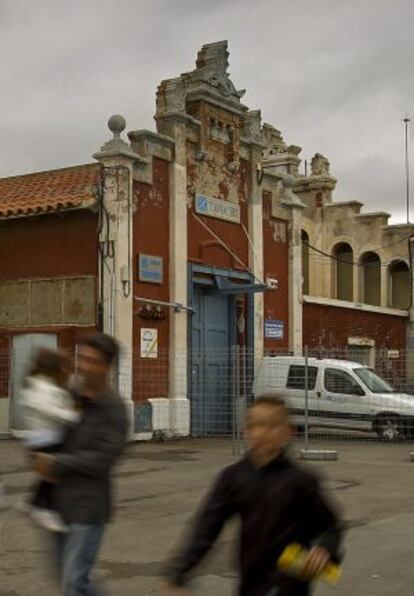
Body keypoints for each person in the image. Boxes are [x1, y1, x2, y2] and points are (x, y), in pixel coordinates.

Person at [163, 394, 343, 596]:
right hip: (251, 585)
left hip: (291, 587)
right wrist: (179, 573)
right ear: (246, 430)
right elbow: (207, 526)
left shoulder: (302, 481)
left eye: (271, 426)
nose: (261, 433)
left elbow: (330, 526)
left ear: (288, 432)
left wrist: (324, 549)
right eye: (254, 425)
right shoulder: (233, 478)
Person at [33, 333, 129, 596]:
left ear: (107, 366)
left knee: (74, 582)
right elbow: (49, 429)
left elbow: (102, 459)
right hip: (58, 504)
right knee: (72, 579)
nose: (84, 366)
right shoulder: (71, 394)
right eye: (82, 358)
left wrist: (56, 463)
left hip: (88, 508)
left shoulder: (115, 409)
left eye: (92, 361)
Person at [22, 347, 79, 532]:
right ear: (52, 366)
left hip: (49, 438)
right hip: (44, 440)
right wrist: (71, 416)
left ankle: (36, 505)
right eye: (62, 366)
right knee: (53, 475)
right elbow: (48, 409)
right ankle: (41, 508)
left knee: (52, 476)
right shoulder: (41, 386)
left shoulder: (47, 385)